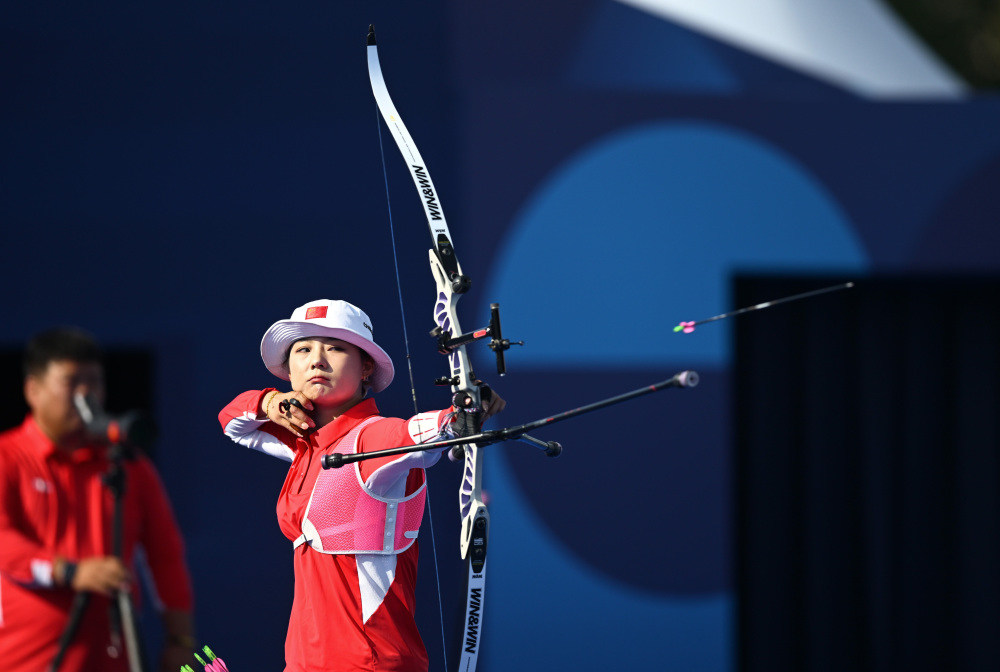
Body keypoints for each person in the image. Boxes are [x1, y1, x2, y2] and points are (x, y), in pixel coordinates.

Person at [218, 299, 504, 672]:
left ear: (366, 367)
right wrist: (269, 402)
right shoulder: (305, 445)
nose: (317, 360)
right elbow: (231, 421)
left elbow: (417, 433)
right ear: (288, 371)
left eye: (335, 348)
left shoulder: (373, 438)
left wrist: (464, 411)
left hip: (370, 663)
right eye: (303, 350)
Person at [0, 328, 196, 672]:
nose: (86, 393)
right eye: (72, 381)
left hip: (112, 657)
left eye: (94, 381)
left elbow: (165, 555)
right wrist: (70, 571)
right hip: (22, 659)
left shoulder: (129, 464)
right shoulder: (6, 456)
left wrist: (181, 641)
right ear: (33, 390)